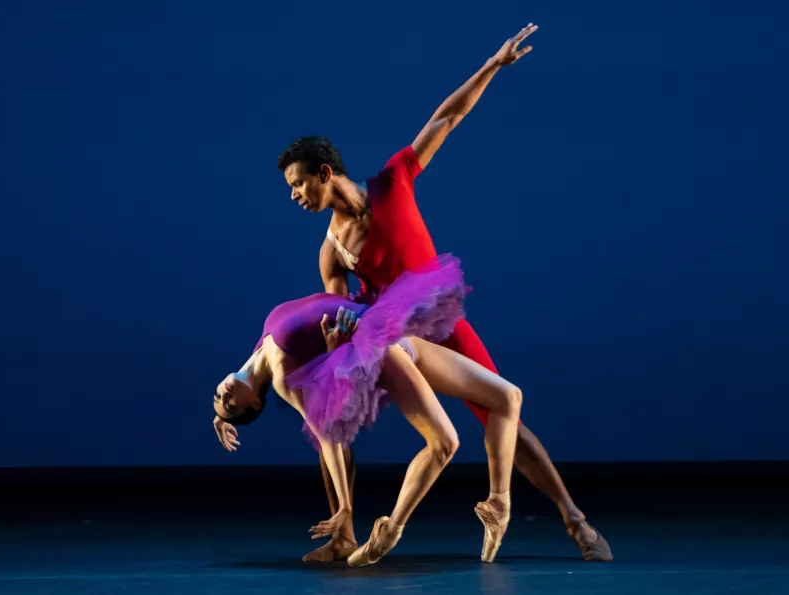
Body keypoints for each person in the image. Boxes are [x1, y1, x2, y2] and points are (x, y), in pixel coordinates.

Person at [274, 23, 612, 562]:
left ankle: (573, 520)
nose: (294, 195)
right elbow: (344, 316)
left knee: (504, 412)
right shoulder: (331, 251)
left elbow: (446, 118)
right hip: (406, 343)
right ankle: (362, 526)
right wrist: (338, 335)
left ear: (325, 172)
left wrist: (494, 64)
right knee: (436, 434)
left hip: (446, 324)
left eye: (298, 184)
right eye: (290, 189)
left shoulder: (393, 181)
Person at [212, 256, 522, 566]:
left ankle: (498, 504)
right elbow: (327, 435)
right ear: (255, 403)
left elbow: (238, 389)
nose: (223, 394)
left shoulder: (262, 348)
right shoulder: (281, 377)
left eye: (218, 395)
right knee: (445, 442)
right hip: (380, 350)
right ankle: (390, 529)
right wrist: (345, 506)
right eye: (230, 405)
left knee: (508, 397)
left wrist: (222, 416)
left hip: (392, 333)